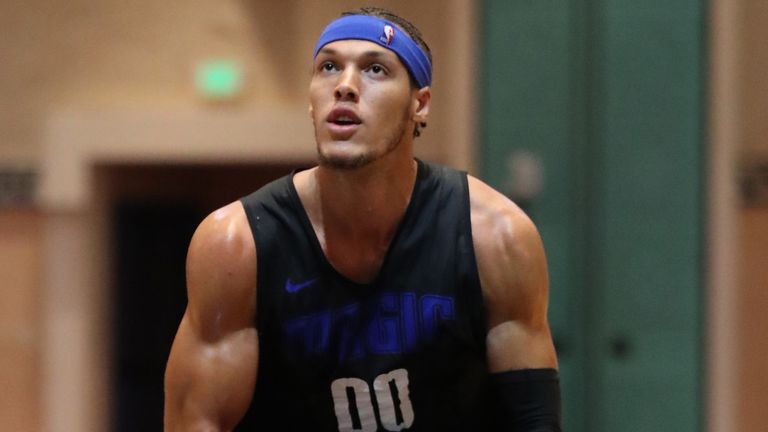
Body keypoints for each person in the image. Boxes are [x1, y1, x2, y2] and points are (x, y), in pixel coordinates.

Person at [164, 7, 561, 431]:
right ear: (311, 99)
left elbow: (533, 422)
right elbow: (198, 420)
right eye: (329, 67)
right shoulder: (235, 245)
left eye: (375, 69)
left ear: (420, 104)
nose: (345, 86)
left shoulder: (496, 237)